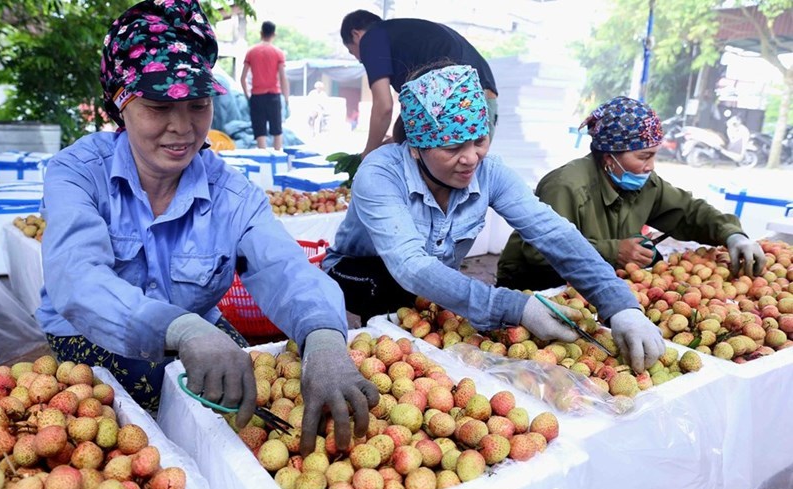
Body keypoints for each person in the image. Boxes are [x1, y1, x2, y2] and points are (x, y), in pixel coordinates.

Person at [36, 0, 376, 456]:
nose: (181, 127)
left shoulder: (230, 193)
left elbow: (284, 268)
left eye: (198, 105)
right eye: (158, 106)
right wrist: (182, 330)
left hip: (200, 329)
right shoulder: (78, 173)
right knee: (147, 432)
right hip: (92, 332)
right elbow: (76, 279)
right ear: (120, 104)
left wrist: (324, 337)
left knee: (248, 417)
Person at [322, 65, 664, 372]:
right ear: (415, 148)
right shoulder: (380, 173)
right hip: (363, 272)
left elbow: (552, 233)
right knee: (395, 311)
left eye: (479, 141)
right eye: (453, 148)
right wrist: (514, 307)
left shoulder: (490, 171)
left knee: (444, 322)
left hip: (434, 278)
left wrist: (618, 303)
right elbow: (410, 266)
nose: (471, 158)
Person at [496, 96, 766, 291]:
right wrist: (614, 251)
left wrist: (732, 234)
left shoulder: (643, 183)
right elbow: (541, 252)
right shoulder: (565, 185)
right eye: (644, 156)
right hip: (537, 287)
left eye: (654, 155)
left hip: (595, 286)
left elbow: (688, 211)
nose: (651, 166)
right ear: (609, 156)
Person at [340, 10, 499, 159]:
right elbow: (410, 126)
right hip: (483, 100)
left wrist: (368, 154)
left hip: (455, 99)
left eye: (352, 52)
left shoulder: (370, 38)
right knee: (466, 172)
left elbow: (384, 107)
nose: (359, 59)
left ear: (356, 34)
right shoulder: (406, 34)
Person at [240, 20, 289, 150]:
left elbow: (243, 78)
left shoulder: (251, 52)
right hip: (274, 96)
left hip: (257, 97)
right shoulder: (278, 53)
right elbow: (283, 78)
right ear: (274, 34)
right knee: (277, 131)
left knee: (260, 132)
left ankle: (263, 157)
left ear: (261, 33)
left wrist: (247, 96)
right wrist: (286, 99)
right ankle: (277, 157)